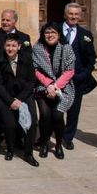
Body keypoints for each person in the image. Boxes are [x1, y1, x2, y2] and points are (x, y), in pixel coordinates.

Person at [0, 33, 39, 166]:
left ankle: (28, 153)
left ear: (19, 46)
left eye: (14, 46)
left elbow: (31, 82)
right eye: (8, 45)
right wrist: (11, 101)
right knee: (10, 124)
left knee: (32, 122)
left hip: (24, 96)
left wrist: (19, 100)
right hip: (6, 97)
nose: (11, 48)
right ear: (4, 46)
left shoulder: (27, 60)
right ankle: (10, 149)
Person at [0, 9, 32, 150]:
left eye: (8, 20)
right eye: (3, 19)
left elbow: (27, 56)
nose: (5, 22)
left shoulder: (24, 37)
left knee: (16, 112)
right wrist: (7, 63)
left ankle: (17, 140)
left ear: (14, 21)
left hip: (18, 83)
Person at [32, 22, 75, 159]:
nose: (50, 35)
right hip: (42, 87)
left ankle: (58, 145)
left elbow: (69, 70)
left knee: (57, 116)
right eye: (47, 33)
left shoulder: (66, 48)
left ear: (58, 34)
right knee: (45, 115)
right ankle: (44, 143)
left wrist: (56, 86)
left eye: (53, 33)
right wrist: (48, 84)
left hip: (63, 87)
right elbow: (35, 69)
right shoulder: (38, 48)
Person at [60, 2, 97, 150]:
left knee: (74, 110)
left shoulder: (86, 35)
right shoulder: (54, 29)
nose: (73, 17)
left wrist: (85, 74)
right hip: (57, 78)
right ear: (65, 14)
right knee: (55, 109)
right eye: (71, 13)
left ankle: (68, 137)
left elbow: (91, 58)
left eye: (76, 14)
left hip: (78, 79)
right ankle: (55, 133)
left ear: (80, 16)